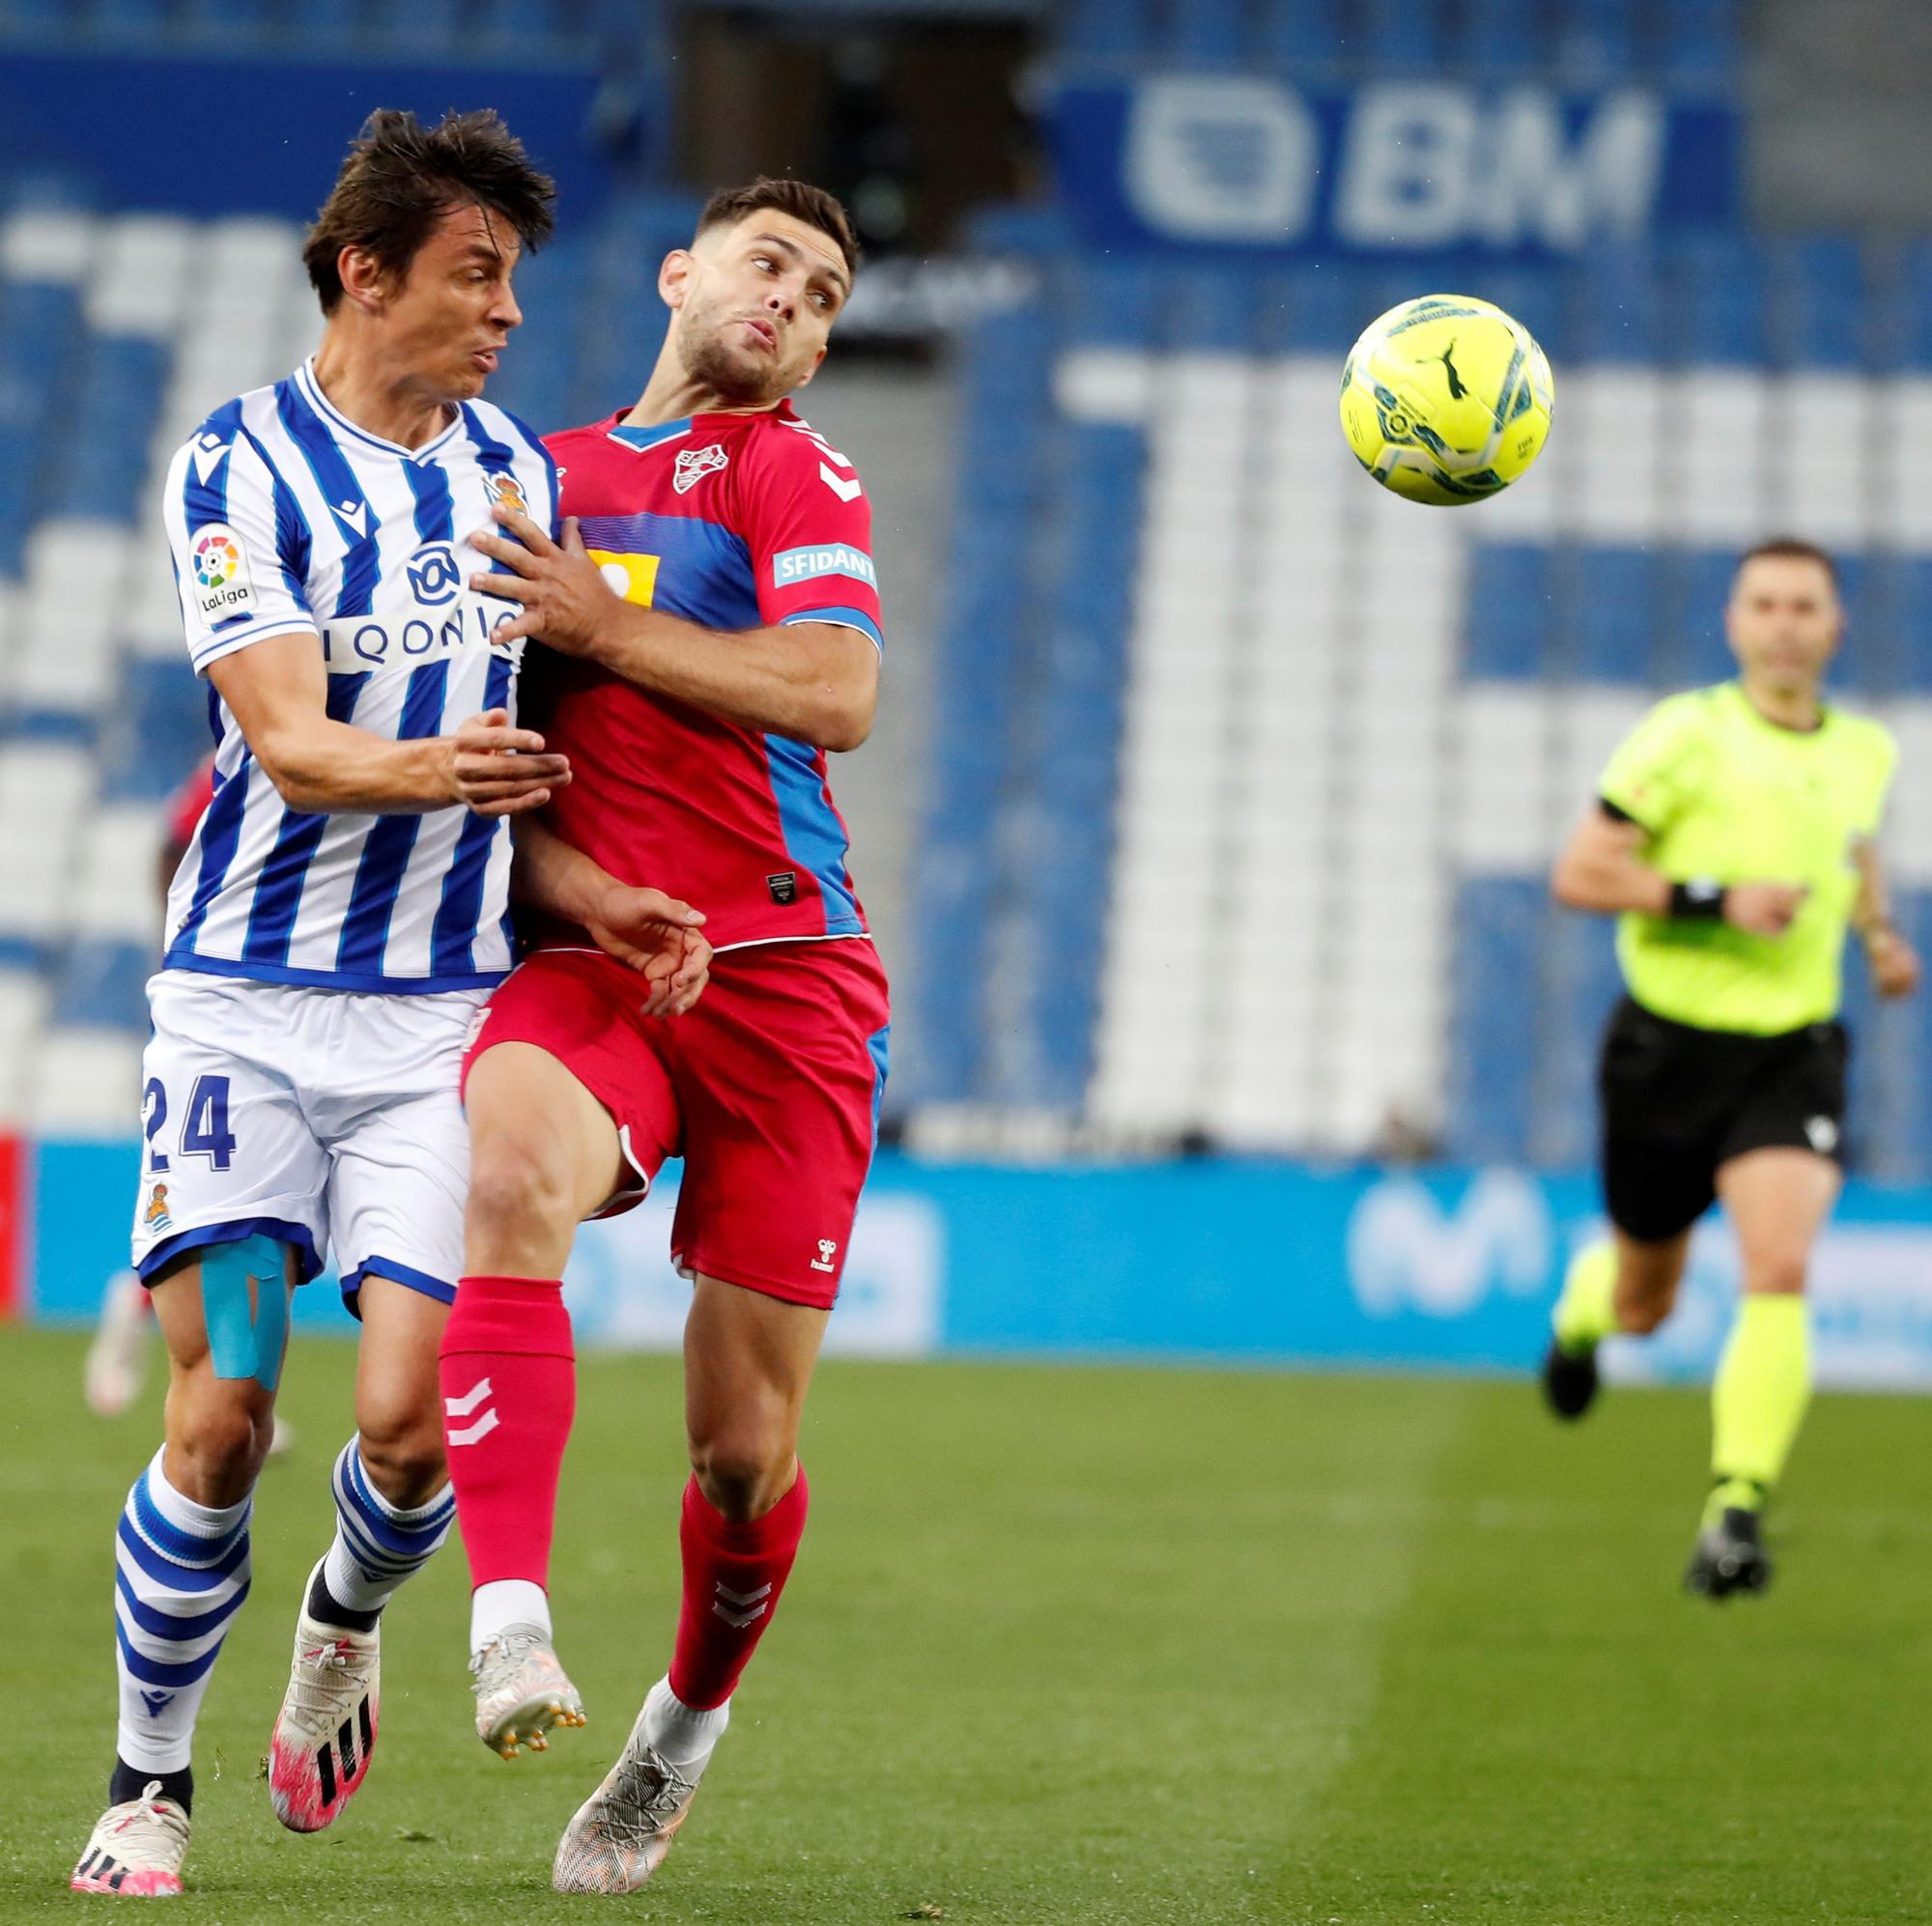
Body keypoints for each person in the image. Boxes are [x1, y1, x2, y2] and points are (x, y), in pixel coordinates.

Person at [70, 109, 709, 1899]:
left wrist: (592, 887)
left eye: (517, 279)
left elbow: (542, 778)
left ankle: (343, 1619)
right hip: (240, 1009)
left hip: (440, 1013)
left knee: (417, 1423)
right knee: (220, 1417)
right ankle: (146, 1786)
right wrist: (444, 770)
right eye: (476, 274)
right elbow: (282, 732)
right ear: (367, 270)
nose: (508, 314)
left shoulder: (514, 472)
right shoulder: (239, 467)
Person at [435, 175, 888, 1893]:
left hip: (788, 979)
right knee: (508, 1177)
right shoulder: (519, 475)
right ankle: (510, 1622)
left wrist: (610, 624)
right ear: (681, 270)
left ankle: (678, 1730)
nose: (796, 303)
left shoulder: (789, 469)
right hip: (601, 952)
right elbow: (487, 766)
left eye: (828, 294)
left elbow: (837, 691)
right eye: (771, 262)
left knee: (741, 1450)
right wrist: (574, 883)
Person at [1541, 536, 1919, 1599]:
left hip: (1790, 1049)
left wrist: (1877, 936)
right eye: (1764, 602)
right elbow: (1580, 871)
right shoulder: (1682, 736)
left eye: (1804, 603)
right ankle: (1579, 1317)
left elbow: (1849, 847)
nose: (1784, 621)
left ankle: (1733, 1508)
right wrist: (1714, 897)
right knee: (1641, 1301)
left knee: (1778, 1266)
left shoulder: (1863, 750)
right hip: (1665, 1046)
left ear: (1835, 625)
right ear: (1732, 623)